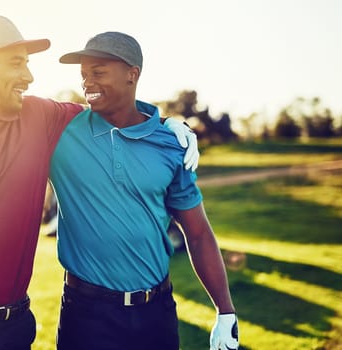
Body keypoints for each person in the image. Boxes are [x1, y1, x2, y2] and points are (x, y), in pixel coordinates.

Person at [0, 15, 198, 350]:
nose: (28, 77)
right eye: (16, 64)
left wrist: (166, 122)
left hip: (15, 328)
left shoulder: (42, 116)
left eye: (27, 64)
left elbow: (115, 108)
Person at [49, 32, 239, 350]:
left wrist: (225, 312)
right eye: (83, 75)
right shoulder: (62, 129)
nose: (87, 84)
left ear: (132, 74)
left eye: (98, 72)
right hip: (86, 315)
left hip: (156, 312)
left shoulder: (169, 144)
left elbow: (198, 233)